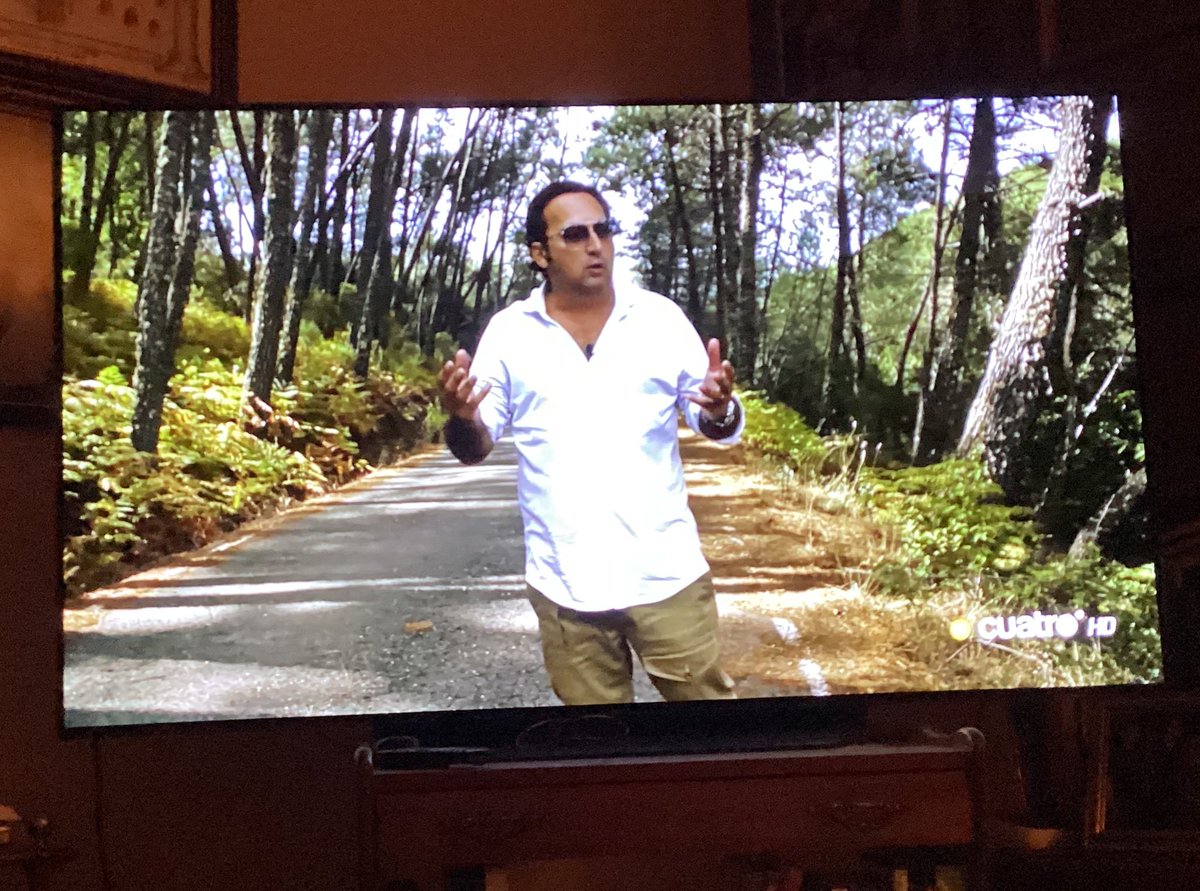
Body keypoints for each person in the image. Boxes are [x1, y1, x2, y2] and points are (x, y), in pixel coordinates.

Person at [438, 180, 744, 705]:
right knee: (596, 753)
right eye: (575, 234)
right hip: (565, 587)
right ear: (540, 254)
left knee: (713, 737)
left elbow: (712, 424)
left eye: (603, 230)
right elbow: (475, 445)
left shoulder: (659, 319)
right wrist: (462, 416)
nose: (595, 244)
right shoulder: (511, 333)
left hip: (665, 575)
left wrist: (717, 408)